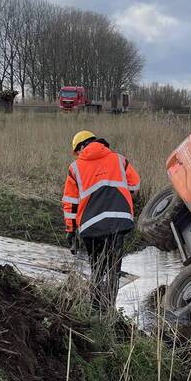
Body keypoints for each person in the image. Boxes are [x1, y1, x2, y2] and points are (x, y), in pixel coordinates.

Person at [62, 130, 140, 315]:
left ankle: (95, 309)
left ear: (81, 147)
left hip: (91, 226)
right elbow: (135, 186)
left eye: (77, 151)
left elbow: (70, 203)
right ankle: (110, 310)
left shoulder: (75, 168)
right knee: (114, 268)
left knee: (97, 266)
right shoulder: (119, 159)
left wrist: (70, 231)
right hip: (119, 221)